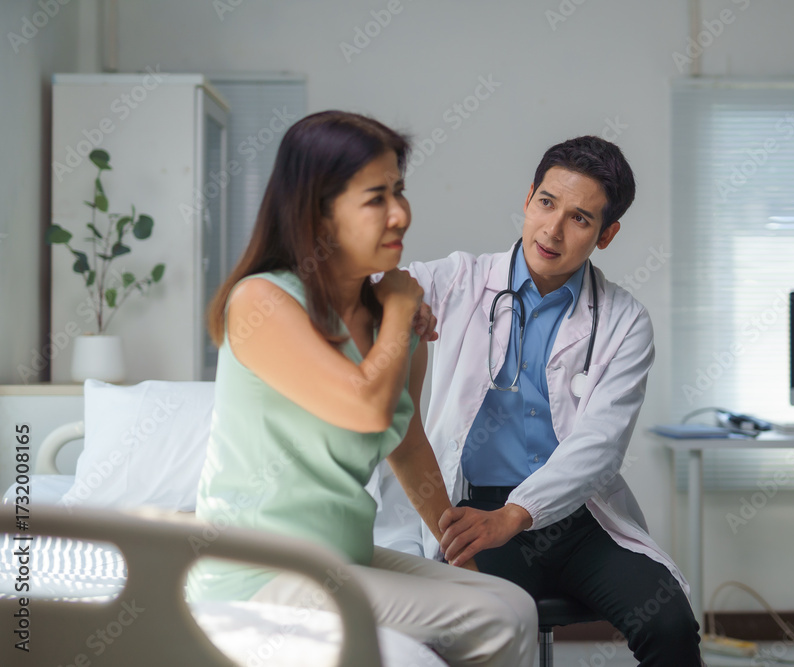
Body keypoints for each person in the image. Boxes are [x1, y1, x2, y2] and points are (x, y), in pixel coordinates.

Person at [188, 110, 537, 667]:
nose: (401, 214)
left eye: (400, 190)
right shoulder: (261, 301)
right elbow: (366, 409)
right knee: (491, 618)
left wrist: (460, 558)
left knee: (511, 603)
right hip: (261, 571)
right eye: (377, 198)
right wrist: (399, 308)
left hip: (341, 559)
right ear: (318, 212)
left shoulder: (390, 326)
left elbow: (407, 444)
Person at [374, 136, 703, 666]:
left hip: (579, 516)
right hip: (476, 511)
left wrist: (517, 514)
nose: (552, 230)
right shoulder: (461, 280)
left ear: (607, 234)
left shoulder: (624, 321)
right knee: (469, 634)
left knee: (670, 624)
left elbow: (599, 445)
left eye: (580, 219)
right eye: (547, 203)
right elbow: (365, 287)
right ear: (528, 198)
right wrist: (401, 300)